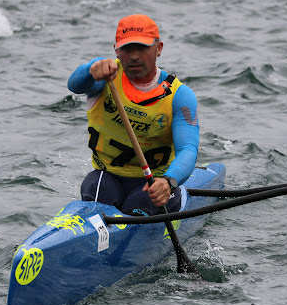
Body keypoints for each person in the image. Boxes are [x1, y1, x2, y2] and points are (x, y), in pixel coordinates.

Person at [68, 14, 199, 216]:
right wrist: (91, 69)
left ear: (159, 48)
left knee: (140, 203)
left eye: (142, 48)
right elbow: (75, 85)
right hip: (108, 177)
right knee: (96, 188)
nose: (135, 56)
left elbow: (188, 149)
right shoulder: (103, 77)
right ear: (116, 50)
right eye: (128, 49)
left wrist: (169, 181)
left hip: (154, 183)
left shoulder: (179, 96)